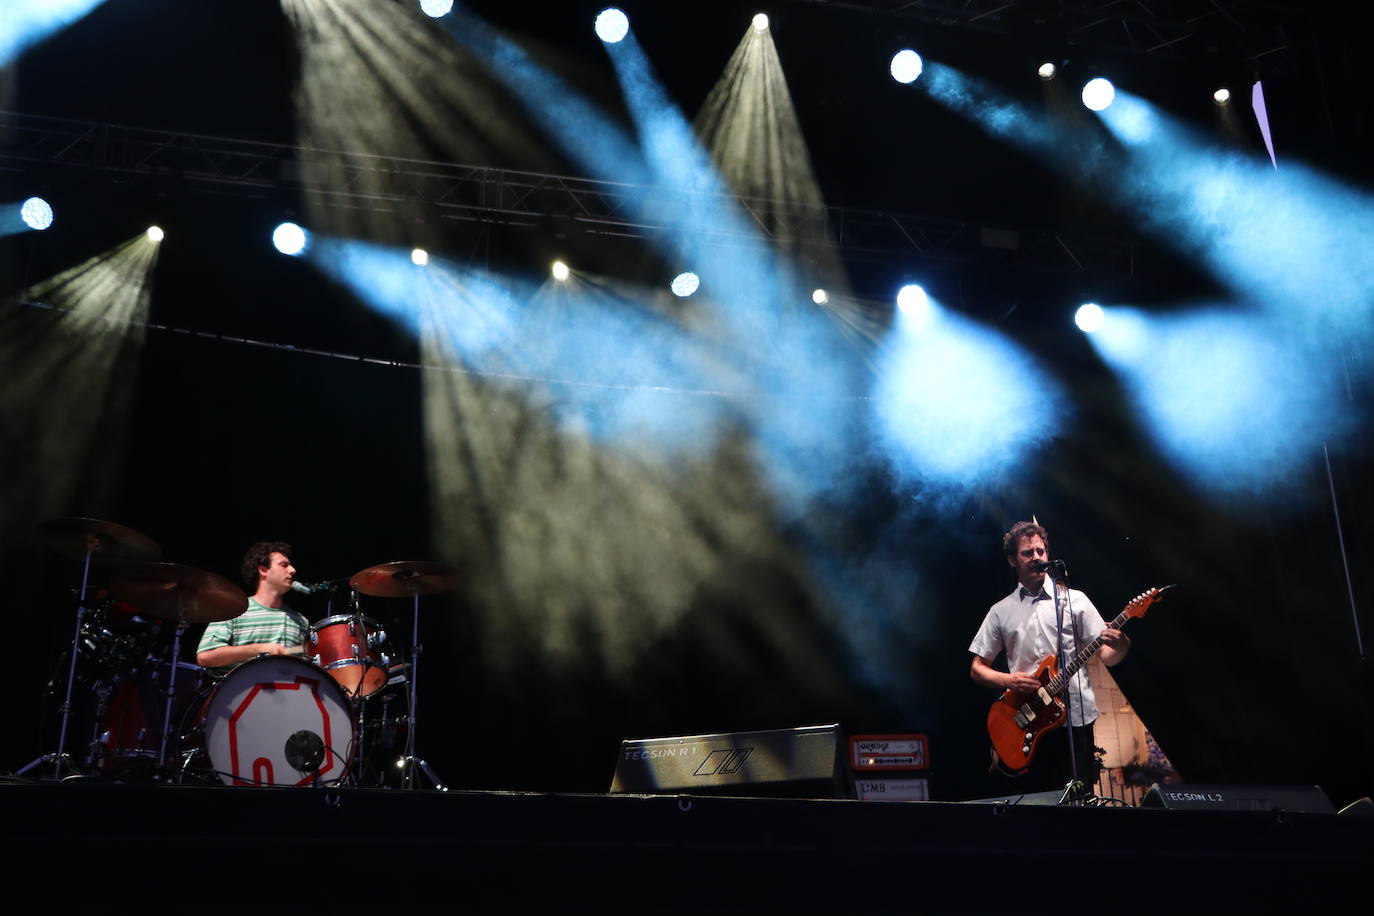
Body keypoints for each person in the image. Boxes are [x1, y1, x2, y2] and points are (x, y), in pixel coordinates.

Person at [968, 520, 1130, 792]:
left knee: (1080, 800)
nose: (1037, 558)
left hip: (1075, 718)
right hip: (1029, 719)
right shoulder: (1001, 611)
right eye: (1027, 553)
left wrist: (1122, 645)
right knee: (1038, 802)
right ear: (1012, 560)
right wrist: (1009, 681)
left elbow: (1106, 655)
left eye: (1041, 551)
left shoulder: (1074, 600)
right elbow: (977, 668)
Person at [196, 541, 309, 672]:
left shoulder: (301, 621)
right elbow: (206, 656)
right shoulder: (233, 610)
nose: (292, 570)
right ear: (263, 570)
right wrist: (260, 649)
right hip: (240, 691)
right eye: (284, 565)